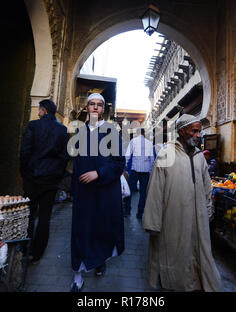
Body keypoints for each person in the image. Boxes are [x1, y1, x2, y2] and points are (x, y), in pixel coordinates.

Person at [143, 114, 222, 292]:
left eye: (199, 132)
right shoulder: (166, 154)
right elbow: (155, 190)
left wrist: (208, 211)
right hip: (173, 217)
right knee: (175, 256)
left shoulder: (200, 157)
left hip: (198, 218)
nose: (197, 135)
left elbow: (207, 186)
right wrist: (153, 222)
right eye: (194, 131)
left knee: (198, 256)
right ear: (181, 131)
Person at [69, 93, 125, 292]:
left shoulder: (111, 131)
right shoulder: (80, 131)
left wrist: (98, 174)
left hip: (104, 191)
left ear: (103, 109)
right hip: (84, 193)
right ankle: (77, 277)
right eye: (91, 104)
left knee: (102, 228)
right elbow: (75, 161)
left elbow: (119, 163)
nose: (95, 108)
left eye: (99, 105)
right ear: (87, 107)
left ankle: (100, 260)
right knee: (81, 231)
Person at [20, 99, 70, 265]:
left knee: (29, 214)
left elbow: (25, 152)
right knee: (45, 217)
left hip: (33, 178)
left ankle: (24, 248)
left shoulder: (33, 126)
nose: (38, 112)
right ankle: (37, 253)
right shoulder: (63, 130)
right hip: (51, 180)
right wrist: (58, 175)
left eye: (39, 110)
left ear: (44, 111)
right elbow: (65, 156)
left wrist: (25, 173)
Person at [124, 128, 156, 219]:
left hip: (135, 170)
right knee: (143, 193)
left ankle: (127, 210)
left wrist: (125, 167)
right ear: (144, 133)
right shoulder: (149, 143)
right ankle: (140, 213)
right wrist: (150, 171)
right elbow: (152, 159)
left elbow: (127, 155)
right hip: (145, 171)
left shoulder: (133, 141)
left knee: (129, 190)